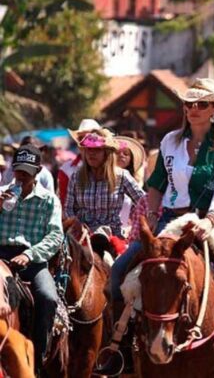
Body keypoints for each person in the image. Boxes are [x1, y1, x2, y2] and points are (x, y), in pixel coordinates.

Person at [98, 78, 214, 377]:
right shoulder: (170, 141)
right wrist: (152, 214)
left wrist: (211, 220)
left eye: (201, 104)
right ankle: (122, 348)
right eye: (189, 104)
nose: (193, 109)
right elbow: (156, 184)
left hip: (212, 222)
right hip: (170, 220)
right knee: (118, 273)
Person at [0, 145, 63, 370]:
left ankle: (38, 359)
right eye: (18, 170)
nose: (21, 176)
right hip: (0, 256)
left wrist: (30, 254)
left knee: (47, 297)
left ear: (37, 171)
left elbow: (56, 236)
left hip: (32, 259)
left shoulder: (49, 200)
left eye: (26, 171)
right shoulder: (2, 192)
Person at [64, 129, 145, 256]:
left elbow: (143, 202)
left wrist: (136, 227)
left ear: (107, 152)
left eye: (97, 149)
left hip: (113, 236)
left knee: (121, 270)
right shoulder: (76, 177)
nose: (91, 153)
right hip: (81, 236)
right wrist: (76, 223)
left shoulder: (122, 176)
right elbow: (68, 209)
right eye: (88, 149)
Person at [58, 119, 102, 204]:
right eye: (83, 139)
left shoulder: (114, 169)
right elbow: (64, 204)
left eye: (92, 138)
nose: (88, 143)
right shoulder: (66, 170)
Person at [114, 135, 148, 243]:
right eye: (117, 152)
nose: (121, 155)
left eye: (126, 153)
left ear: (131, 159)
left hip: (127, 234)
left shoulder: (132, 182)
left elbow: (144, 203)